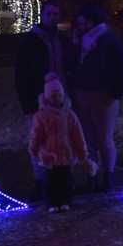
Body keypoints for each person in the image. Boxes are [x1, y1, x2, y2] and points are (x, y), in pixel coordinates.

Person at [14, 0, 69, 199]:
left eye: (56, 14)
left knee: (61, 139)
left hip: (62, 99)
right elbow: (21, 74)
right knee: (38, 140)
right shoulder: (30, 41)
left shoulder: (62, 39)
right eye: (49, 14)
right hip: (37, 99)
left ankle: (60, 182)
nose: (53, 18)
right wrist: (27, 103)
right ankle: (40, 182)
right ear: (42, 15)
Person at [73, 4, 123, 192]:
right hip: (84, 94)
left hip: (103, 95)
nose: (80, 27)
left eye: (83, 23)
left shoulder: (108, 41)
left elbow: (122, 69)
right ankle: (92, 175)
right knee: (88, 138)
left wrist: (114, 94)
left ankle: (108, 177)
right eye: (78, 24)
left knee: (104, 138)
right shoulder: (81, 40)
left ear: (92, 22)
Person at [28, 73, 97, 212]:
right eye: (53, 96)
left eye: (59, 95)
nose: (57, 98)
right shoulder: (41, 116)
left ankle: (66, 200)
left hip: (66, 155)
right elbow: (36, 135)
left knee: (66, 180)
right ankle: (52, 203)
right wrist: (34, 149)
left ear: (63, 95)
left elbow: (77, 135)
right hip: (49, 156)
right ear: (47, 97)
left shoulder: (70, 115)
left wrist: (82, 154)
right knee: (51, 181)